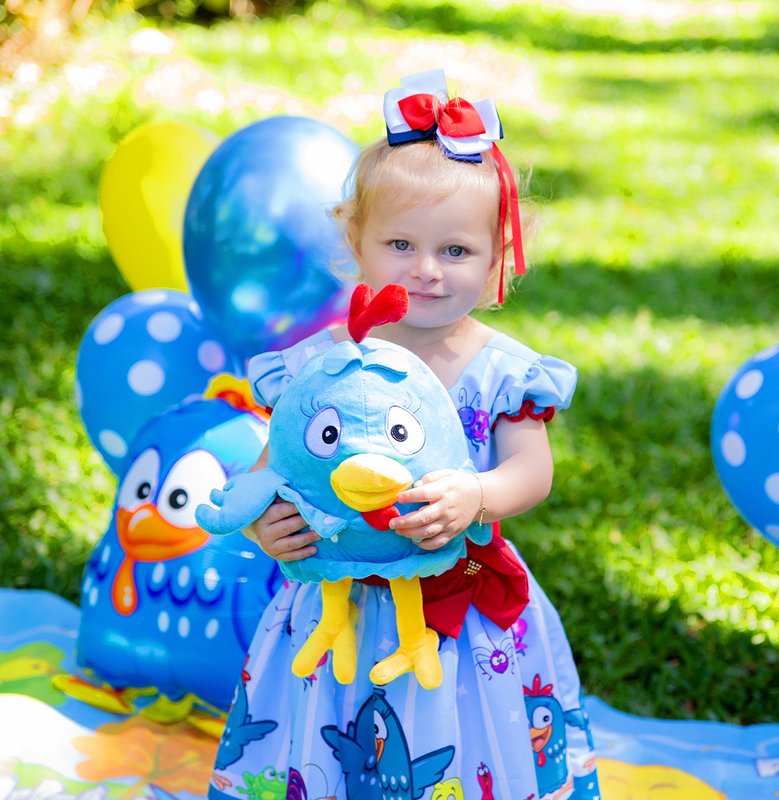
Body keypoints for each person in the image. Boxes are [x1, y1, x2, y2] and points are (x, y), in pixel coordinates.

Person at [207, 70, 600, 800]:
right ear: (357, 242)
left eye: (455, 252)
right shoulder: (323, 365)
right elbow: (275, 465)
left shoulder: (502, 372)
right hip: (337, 605)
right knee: (331, 738)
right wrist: (265, 519)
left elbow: (530, 472)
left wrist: (478, 494)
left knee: (461, 741)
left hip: (459, 605)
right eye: (400, 244)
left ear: (495, 262)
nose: (425, 270)